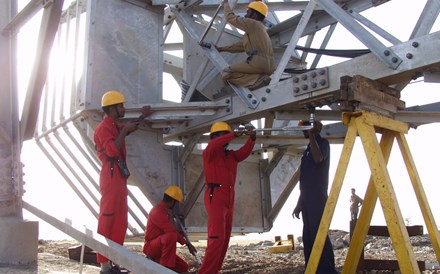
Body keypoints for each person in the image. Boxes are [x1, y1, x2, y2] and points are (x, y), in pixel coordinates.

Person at [94, 90, 153, 274]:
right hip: (110, 175)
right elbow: (112, 150)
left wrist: (143, 115)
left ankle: (114, 261)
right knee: (108, 218)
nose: (123, 108)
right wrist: (125, 130)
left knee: (120, 220)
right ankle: (104, 264)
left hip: (118, 176)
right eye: (121, 106)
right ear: (112, 109)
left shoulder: (114, 126)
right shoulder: (103, 129)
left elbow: (130, 127)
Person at [198, 122, 256, 274]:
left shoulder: (230, 155)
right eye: (222, 135)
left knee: (224, 238)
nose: (226, 138)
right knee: (216, 237)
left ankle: (214, 270)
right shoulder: (209, 152)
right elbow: (214, 145)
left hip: (229, 196)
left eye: (226, 135)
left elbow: (242, 153)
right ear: (215, 137)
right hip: (215, 194)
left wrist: (252, 140)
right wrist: (232, 134)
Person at [292, 120, 338, 274]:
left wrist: (313, 136)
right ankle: (313, 268)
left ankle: (327, 270)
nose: (303, 132)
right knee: (309, 235)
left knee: (319, 233)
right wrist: (299, 203)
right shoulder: (307, 149)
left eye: (306, 128)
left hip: (317, 197)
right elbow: (305, 180)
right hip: (307, 198)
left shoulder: (322, 143)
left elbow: (318, 159)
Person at [216, 0, 275, 90]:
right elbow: (240, 46)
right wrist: (222, 49)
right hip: (270, 66)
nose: (245, 15)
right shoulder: (259, 30)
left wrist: (225, 5)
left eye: (248, 13)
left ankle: (256, 81)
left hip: (258, 63)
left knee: (227, 72)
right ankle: (258, 79)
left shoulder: (253, 24)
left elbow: (231, 18)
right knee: (244, 70)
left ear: (254, 15)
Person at [143, 185, 197, 273]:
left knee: (183, 266)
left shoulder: (164, 211)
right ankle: (163, 269)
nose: (176, 205)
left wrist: (182, 237)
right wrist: (187, 244)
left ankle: (157, 263)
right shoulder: (158, 211)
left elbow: (171, 230)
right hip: (151, 248)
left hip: (160, 248)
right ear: (173, 201)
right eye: (177, 203)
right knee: (171, 236)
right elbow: (171, 231)